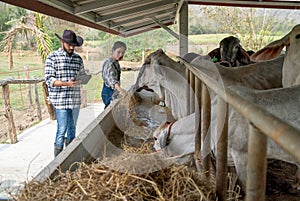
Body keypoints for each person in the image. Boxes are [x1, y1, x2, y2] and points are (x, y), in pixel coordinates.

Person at [44, 29, 85, 157]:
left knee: (72, 130)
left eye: (74, 45)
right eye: (69, 44)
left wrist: (80, 80)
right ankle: (58, 161)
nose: (72, 47)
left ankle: (69, 157)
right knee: (62, 130)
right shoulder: (53, 57)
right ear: (62, 42)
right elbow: (49, 79)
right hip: (61, 100)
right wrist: (66, 83)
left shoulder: (78, 59)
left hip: (75, 100)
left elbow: (82, 76)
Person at [101, 41, 127, 108]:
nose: (121, 55)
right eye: (118, 52)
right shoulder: (109, 63)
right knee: (109, 110)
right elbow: (111, 80)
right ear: (113, 50)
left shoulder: (116, 62)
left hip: (114, 91)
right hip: (108, 92)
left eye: (123, 53)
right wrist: (121, 90)